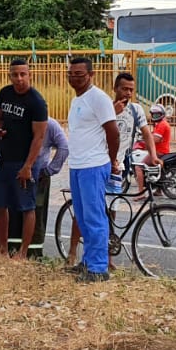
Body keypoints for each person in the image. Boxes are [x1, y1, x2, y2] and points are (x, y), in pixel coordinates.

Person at [66, 56, 120, 282]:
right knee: (82, 216)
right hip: (77, 165)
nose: (74, 78)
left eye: (79, 74)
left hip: (94, 165)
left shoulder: (99, 98)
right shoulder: (77, 100)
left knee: (95, 216)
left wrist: (112, 159)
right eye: (71, 74)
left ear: (91, 74)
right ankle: (88, 261)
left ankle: (98, 268)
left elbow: (113, 132)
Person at [0, 58, 48, 259]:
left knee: (27, 207)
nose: (19, 78)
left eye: (23, 74)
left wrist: (28, 166)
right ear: (10, 75)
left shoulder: (37, 102)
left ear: (29, 75)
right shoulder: (5, 93)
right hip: (4, 159)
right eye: (15, 74)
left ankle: (23, 253)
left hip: (25, 161)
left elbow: (39, 137)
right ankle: (2, 248)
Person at [27, 115, 69, 259]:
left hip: (39, 176)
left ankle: (34, 252)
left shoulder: (50, 124)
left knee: (36, 213)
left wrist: (49, 170)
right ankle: (28, 252)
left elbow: (64, 146)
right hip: (29, 173)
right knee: (33, 212)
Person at [113, 71, 159, 185]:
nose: (128, 93)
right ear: (115, 88)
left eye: (131, 90)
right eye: (124, 89)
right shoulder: (106, 107)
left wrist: (153, 155)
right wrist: (113, 113)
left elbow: (147, 134)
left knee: (115, 198)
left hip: (121, 161)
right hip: (102, 161)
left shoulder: (136, 109)